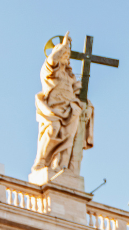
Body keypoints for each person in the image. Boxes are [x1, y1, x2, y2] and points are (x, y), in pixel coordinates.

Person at [32, 32, 93, 174]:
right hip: (54, 108)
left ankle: (61, 165)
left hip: (71, 109)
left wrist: (87, 105)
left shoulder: (70, 76)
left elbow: (80, 93)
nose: (66, 57)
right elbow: (52, 59)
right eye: (64, 54)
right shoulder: (49, 70)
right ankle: (42, 161)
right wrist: (63, 46)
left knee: (69, 136)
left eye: (67, 55)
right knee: (53, 128)